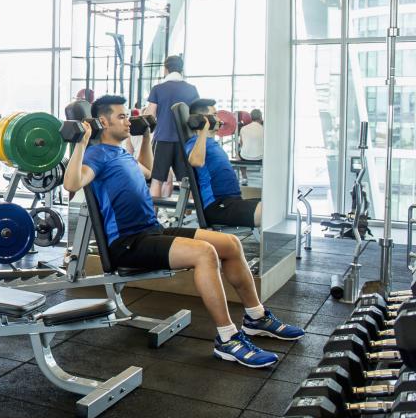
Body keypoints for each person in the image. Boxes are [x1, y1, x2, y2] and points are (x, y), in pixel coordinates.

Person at [62, 95, 303, 369]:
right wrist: (81, 142)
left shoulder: (121, 153)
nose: (128, 121)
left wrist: (147, 134)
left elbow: (149, 171)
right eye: (122, 117)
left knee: (230, 243)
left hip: (151, 231)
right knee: (205, 253)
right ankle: (227, 339)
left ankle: (256, 317)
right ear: (102, 122)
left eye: (128, 116)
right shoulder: (96, 155)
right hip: (128, 244)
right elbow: (72, 183)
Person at [185, 99, 262, 228]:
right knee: (268, 213)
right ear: (203, 119)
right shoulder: (193, 143)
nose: (219, 119)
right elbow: (196, 161)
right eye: (214, 115)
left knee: (274, 206)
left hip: (232, 202)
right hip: (217, 205)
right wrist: (204, 129)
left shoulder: (212, 143)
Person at [144, 56, 199, 198]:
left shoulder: (158, 89)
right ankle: (189, 212)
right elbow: (196, 115)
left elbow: (149, 115)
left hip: (163, 139)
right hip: (185, 141)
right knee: (186, 182)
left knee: (157, 181)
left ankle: (153, 212)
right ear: (181, 69)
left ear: (165, 69)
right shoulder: (192, 89)